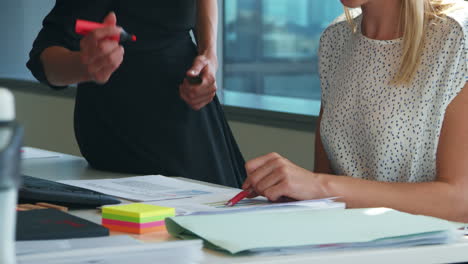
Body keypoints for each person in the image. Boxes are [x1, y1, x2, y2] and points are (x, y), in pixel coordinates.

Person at [242, 0, 468, 222]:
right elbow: (326, 184)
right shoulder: (336, 39)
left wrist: (319, 186)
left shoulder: (457, 36)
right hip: (346, 243)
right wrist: (294, 191)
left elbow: (460, 202)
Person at [27, 1, 246, 188]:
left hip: (192, 116)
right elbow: (43, 59)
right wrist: (83, 66)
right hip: (128, 126)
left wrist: (208, 54)